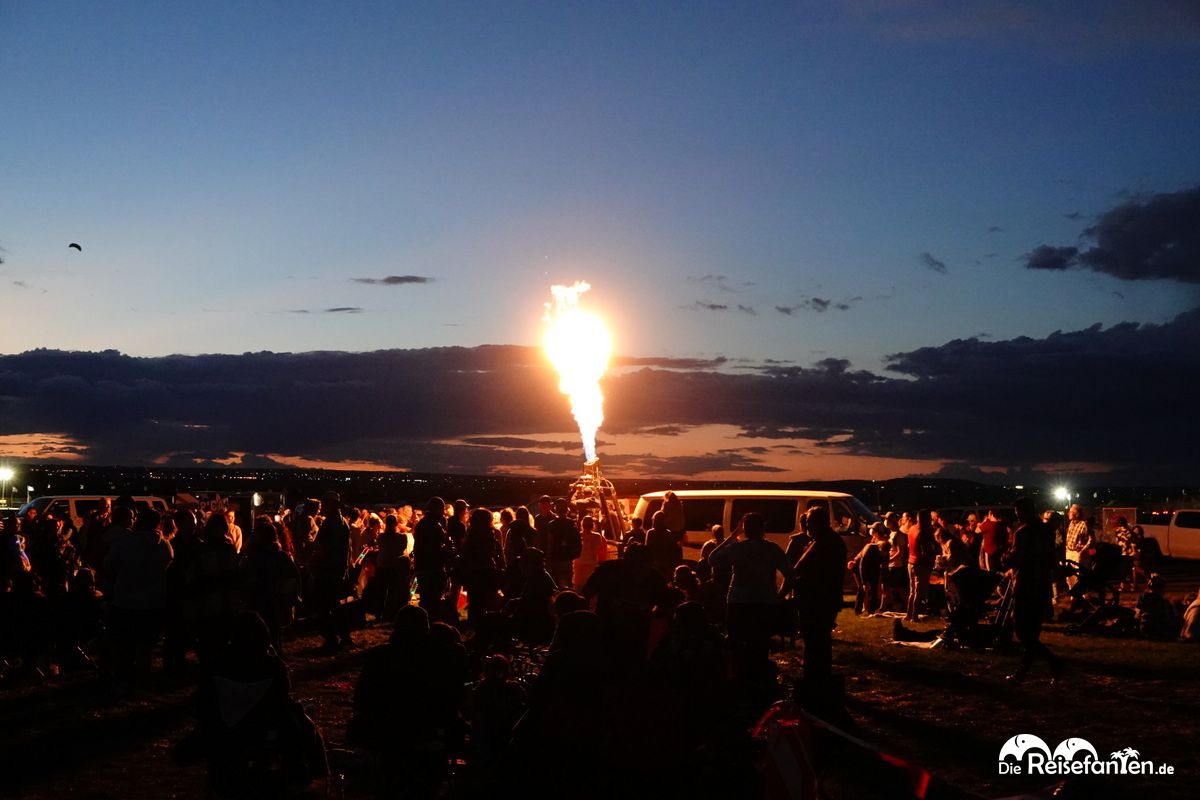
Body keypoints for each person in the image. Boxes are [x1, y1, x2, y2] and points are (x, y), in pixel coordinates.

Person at [183, 611, 327, 798]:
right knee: (308, 728)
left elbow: (203, 700)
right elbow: (282, 697)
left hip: (226, 730)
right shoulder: (273, 666)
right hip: (264, 728)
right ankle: (312, 774)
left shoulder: (217, 665)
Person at [707, 512, 794, 685]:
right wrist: (779, 595)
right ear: (763, 529)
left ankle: (741, 679)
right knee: (760, 644)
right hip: (764, 602)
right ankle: (759, 680)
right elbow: (790, 574)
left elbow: (713, 559)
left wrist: (732, 537)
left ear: (745, 529)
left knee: (737, 643)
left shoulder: (737, 548)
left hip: (738, 602)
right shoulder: (772, 548)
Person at [102, 508, 173, 692]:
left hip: (125, 601)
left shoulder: (124, 543)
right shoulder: (164, 546)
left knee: (124, 645)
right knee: (145, 646)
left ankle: (123, 680)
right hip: (151, 603)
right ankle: (142, 681)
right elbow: (167, 564)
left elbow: (109, 565)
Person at [1001, 497, 1060, 683]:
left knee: (1022, 631)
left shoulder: (1023, 532)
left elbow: (1016, 559)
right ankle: (1022, 673)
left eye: (1017, 511)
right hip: (1042, 585)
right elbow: (1051, 557)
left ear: (1022, 511)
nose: (1016, 515)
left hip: (1026, 584)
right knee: (1032, 632)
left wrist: (1005, 557)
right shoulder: (1047, 531)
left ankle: (1054, 662)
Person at [791, 506, 846, 683]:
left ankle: (816, 676)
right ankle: (816, 673)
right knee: (816, 639)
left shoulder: (825, 543)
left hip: (818, 600)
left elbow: (806, 569)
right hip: (818, 599)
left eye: (808, 523)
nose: (806, 527)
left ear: (818, 523)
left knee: (816, 639)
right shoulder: (824, 540)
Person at [240, 520, 302, 657]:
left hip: (260, 602)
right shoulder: (281, 556)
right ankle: (275, 660)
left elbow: (246, 578)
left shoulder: (254, 557)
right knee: (274, 634)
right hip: (276, 603)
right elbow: (294, 578)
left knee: (261, 634)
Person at [307, 494, 353, 650]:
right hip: (336, 570)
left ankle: (332, 638)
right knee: (334, 605)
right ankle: (343, 636)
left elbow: (324, 548)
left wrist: (313, 552)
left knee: (324, 605)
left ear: (333, 505)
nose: (323, 507)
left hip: (328, 570)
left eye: (325, 504)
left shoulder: (332, 523)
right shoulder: (341, 522)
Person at [413, 497, 451, 616]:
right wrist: (446, 549)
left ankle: (424, 620)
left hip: (422, 565)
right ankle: (431, 620)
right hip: (433, 566)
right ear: (438, 509)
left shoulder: (422, 523)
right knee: (433, 597)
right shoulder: (434, 525)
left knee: (425, 597)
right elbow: (434, 547)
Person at [848, 523, 888, 616]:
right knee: (862, 589)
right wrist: (864, 581)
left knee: (873, 589)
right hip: (861, 568)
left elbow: (884, 562)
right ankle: (859, 610)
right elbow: (862, 564)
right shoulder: (872, 546)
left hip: (872, 568)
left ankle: (871, 611)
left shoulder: (883, 544)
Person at [906, 510, 938, 621]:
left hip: (911, 562)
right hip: (921, 565)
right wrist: (933, 557)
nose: (930, 521)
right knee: (919, 592)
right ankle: (914, 616)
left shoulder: (911, 529)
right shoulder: (923, 532)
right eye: (929, 518)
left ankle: (908, 614)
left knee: (912, 591)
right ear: (925, 520)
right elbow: (926, 551)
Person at [544, 497, 582, 588]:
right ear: (566, 509)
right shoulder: (572, 523)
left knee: (556, 585)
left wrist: (548, 560)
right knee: (569, 583)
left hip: (555, 559)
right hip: (568, 558)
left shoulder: (552, 524)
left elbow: (550, 544)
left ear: (556, 509)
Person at [572, 515, 610, 588]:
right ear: (592, 525)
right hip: (591, 562)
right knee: (590, 583)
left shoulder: (578, 535)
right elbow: (597, 548)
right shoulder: (597, 536)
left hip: (579, 561)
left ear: (582, 524)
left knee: (578, 584)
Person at [645, 509, 683, 580]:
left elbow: (648, 547)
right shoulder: (667, 533)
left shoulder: (650, 533)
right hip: (666, 561)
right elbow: (671, 549)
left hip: (655, 560)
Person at [1064, 504, 1093, 576]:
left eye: (1070, 511)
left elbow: (1091, 539)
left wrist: (1083, 550)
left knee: (1078, 576)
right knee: (1069, 576)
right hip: (1069, 553)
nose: (1068, 513)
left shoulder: (1084, 524)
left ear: (1076, 514)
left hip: (1078, 554)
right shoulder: (1071, 523)